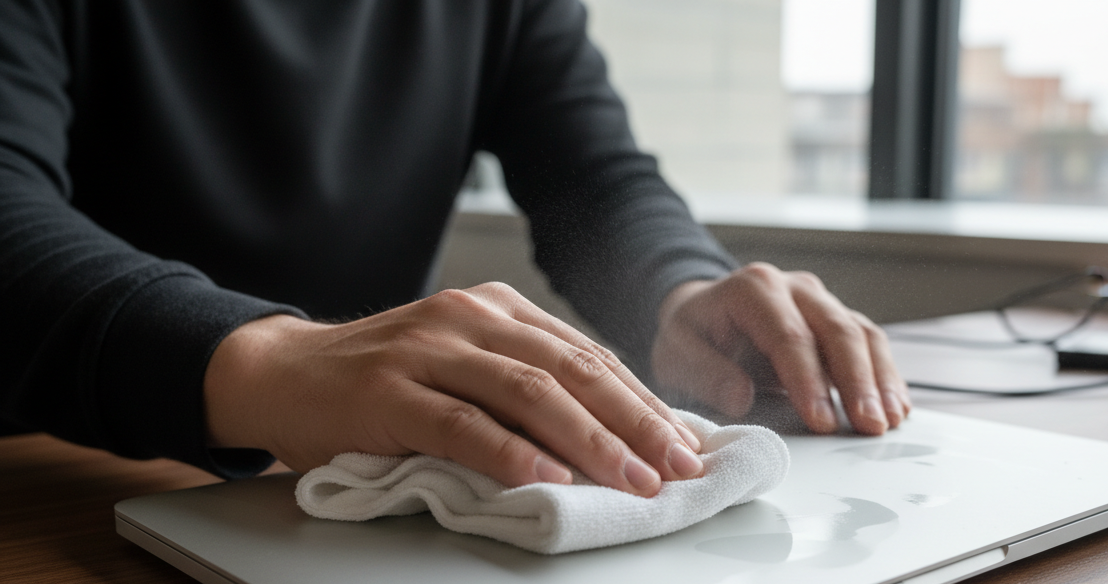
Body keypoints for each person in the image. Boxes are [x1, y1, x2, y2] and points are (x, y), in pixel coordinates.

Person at [0, 0, 910, 499]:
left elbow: (592, 180)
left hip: (370, 491)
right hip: (61, 485)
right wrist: (269, 363)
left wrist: (681, 292)